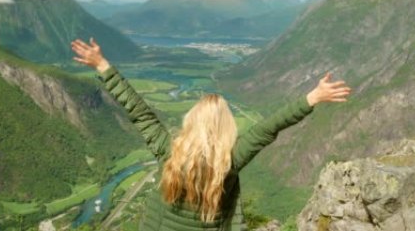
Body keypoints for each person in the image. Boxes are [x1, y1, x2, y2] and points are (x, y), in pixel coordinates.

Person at [71, 38, 351, 231]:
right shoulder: (231, 162)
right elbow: (270, 126)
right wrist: (312, 97)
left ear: (192, 120)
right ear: (226, 126)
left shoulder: (167, 152)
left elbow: (137, 110)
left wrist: (102, 66)